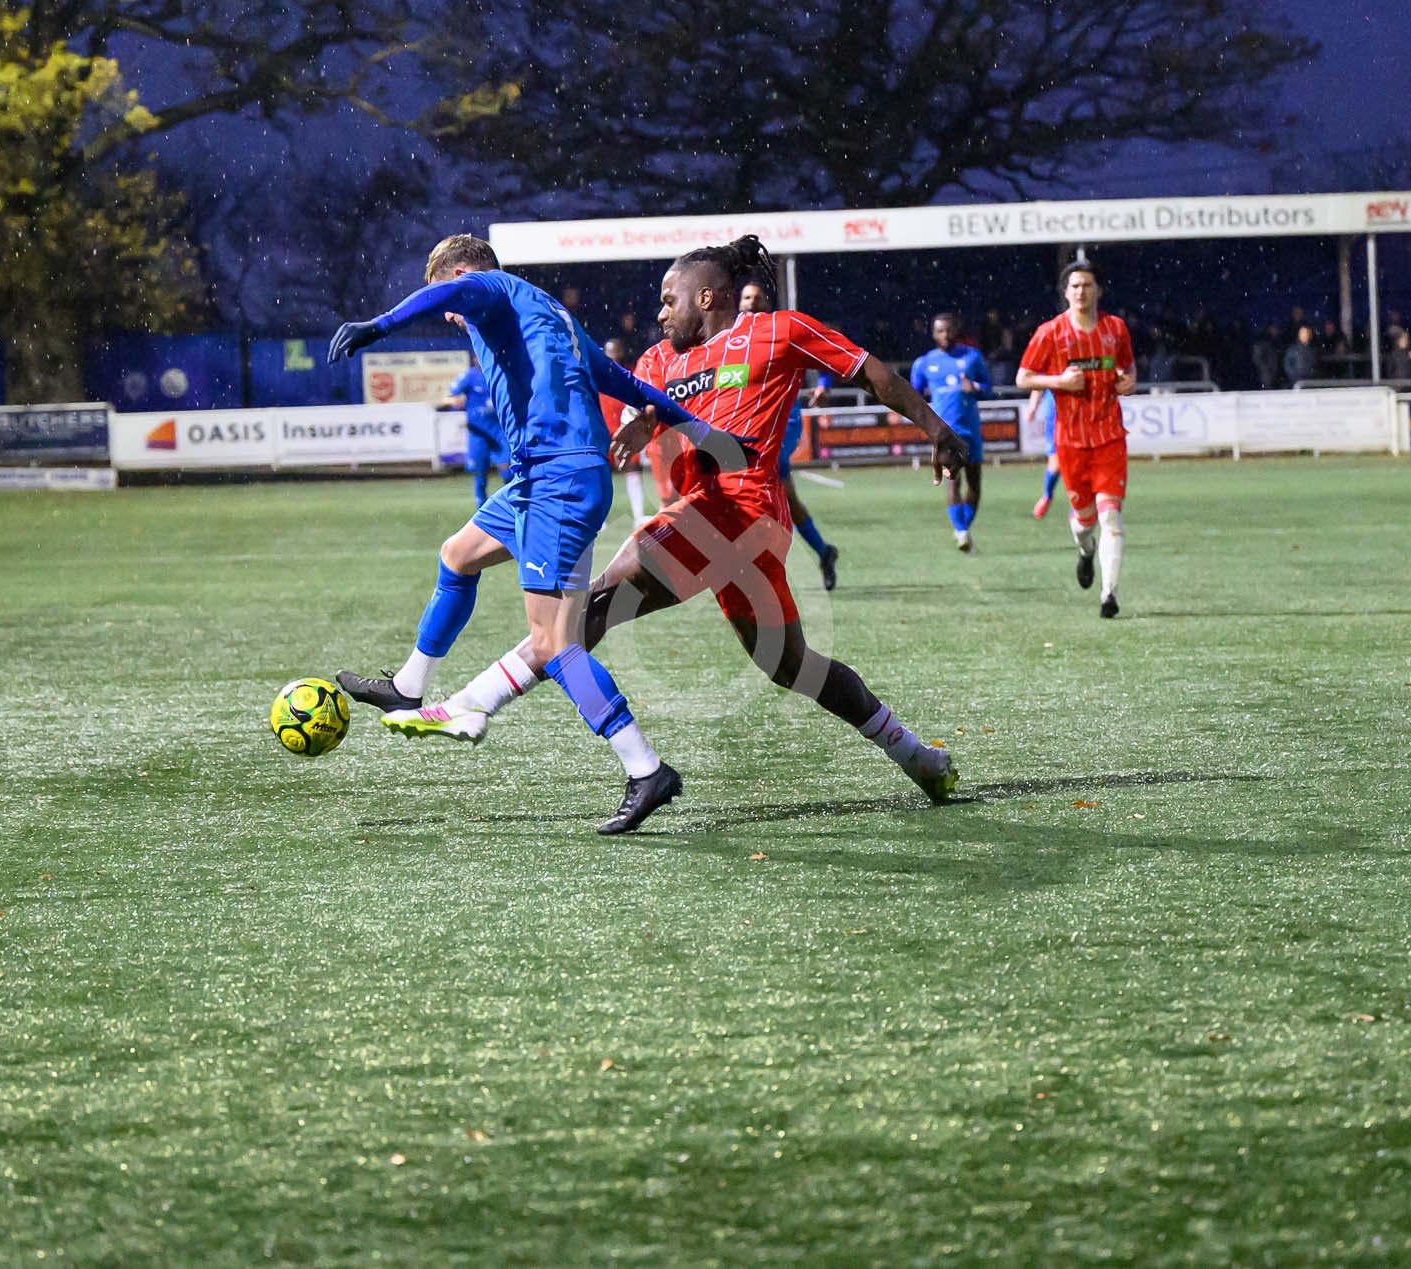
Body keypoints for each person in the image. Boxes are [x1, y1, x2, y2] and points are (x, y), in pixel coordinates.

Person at [379, 235, 968, 811]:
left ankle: (472, 702)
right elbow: (653, 405)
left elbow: (873, 375)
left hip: (740, 510)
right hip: (715, 521)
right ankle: (916, 755)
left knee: (593, 606)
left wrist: (936, 428)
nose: (659, 312)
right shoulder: (659, 360)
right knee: (791, 665)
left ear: (706, 297)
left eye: (669, 299)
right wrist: (644, 424)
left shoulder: (778, 331)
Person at [325, 233, 751, 835]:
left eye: (447, 295)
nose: (451, 313)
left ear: (462, 273)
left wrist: (379, 324)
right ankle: (407, 687)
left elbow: (464, 290)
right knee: (458, 554)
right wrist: (709, 437)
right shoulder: (550, 315)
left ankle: (645, 767)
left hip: (559, 481)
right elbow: (628, 386)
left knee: (553, 642)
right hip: (539, 478)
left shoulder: (491, 287)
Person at [1013, 261, 1139, 619]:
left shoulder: (1115, 328)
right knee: (1083, 522)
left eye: (1087, 285)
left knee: (1111, 516)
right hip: (1070, 443)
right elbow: (1024, 377)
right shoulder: (1050, 333)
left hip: (1110, 437)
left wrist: (1129, 380)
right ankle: (1085, 552)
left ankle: (1108, 595)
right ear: (1066, 292)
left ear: (1098, 290)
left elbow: (1127, 368)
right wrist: (1059, 382)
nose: (1081, 291)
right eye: (1075, 286)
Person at [740, 277, 838, 590]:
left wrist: (823, 385)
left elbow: (824, 353)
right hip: (749, 423)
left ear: (767, 302)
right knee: (787, 499)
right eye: (746, 298)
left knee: (765, 480)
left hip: (783, 421)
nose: (752, 303)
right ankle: (824, 552)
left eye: (757, 298)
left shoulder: (781, 331)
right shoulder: (729, 337)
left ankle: (764, 568)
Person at [910, 312, 992, 551]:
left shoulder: (972, 357)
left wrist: (974, 386)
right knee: (952, 481)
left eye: (949, 330)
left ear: (956, 330)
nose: (945, 334)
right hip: (945, 433)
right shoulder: (924, 363)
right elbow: (914, 396)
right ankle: (961, 531)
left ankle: (963, 528)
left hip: (971, 430)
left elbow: (988, 389)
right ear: (934, 334)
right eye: (940, 330)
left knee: (975, 483)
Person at [598, 338, 649, 525]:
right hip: (603, 431)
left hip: (625, 429)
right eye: (610, 352)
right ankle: (600, 519)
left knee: (632, 470)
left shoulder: (631, 372)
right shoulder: (598, 373)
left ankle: (638, 515)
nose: (614, 355)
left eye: (617, 351)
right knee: (600, 474)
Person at [440, 362, 506, 506]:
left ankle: (513, 506)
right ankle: (481, 509)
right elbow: (445, 399)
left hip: (500, 430)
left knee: (509, 470)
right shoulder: (469, 376)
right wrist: (453, 400)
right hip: (478, 432)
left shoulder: (502, 370)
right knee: (480, 473)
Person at [1023, 388, 1060, 518]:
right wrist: (1033, 407)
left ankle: (1079, 505)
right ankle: (1047, 495)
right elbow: (1037, 381)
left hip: (1081, 406)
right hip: (1055, 410)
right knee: (1056, 463)